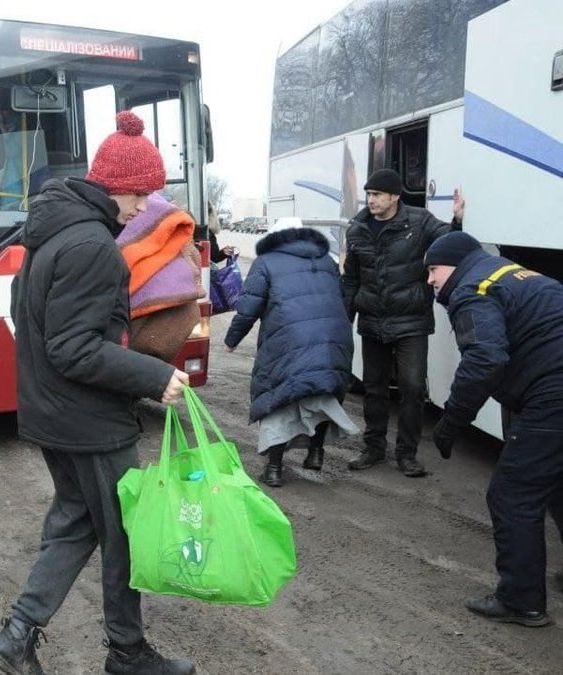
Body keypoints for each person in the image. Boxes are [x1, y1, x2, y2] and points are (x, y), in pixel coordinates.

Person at [0, 111, 193, 675]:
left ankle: (16, 637)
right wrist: (154, 376)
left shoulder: (49, 235)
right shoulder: (94, 247)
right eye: (142, 193)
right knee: (123, 532)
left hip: (55, 414)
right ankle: (127, 653)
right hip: (92, 422)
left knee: (77, 522)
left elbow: (44, 331)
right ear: (119, 188)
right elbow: (73, 347)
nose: (145, 206)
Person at [425, 232, 563, 628]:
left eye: (433, 270)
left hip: (552, 396)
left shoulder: (474, 289)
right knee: (555, 484)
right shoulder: (519, 275)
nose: (431, 280)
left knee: (512, 495)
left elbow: (485, 358)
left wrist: (452, 421)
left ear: (452, 264)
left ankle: (521, 602)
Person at [342, 168, 464, 478]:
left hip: (411, 321)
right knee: (374, 388)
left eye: (377, 195)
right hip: (372, 320)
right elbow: (352, 278)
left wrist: (458, 220)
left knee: (411, 387)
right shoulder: (356, 229)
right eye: (369, 195)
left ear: (395, 196)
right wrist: (346, 318)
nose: (371, 200)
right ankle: (373, 448)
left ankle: (407, 454)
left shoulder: (419, 221)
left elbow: (449, 242)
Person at [224, 222, 358, 487]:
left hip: (287, 341)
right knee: (320, 393)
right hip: (332, 338)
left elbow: (248, 307)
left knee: (278, 398)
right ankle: (316, 453)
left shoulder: (266, 261)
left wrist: (231, 340)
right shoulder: (327, 260)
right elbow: (341, 300)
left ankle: (274, 469)